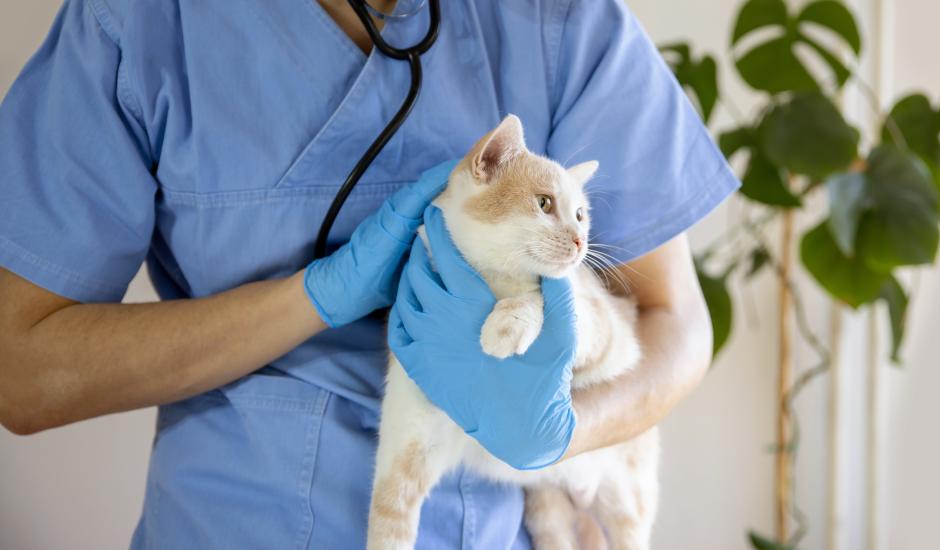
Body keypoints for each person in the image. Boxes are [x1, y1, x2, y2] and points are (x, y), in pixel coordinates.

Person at [0, 0, 740, 548]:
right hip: (231, 524)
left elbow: (676, 321)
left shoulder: (560, 21)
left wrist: (557, 435)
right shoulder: (141, 21)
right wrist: (316, 296)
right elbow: (20, 369)